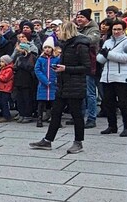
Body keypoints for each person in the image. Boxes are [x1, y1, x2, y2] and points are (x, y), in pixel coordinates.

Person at [30, 22, 91, 154]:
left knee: (76, 115)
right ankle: (47, 140)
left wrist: (66, 68)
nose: (56, 33)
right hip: (62, 84)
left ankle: (78, 142)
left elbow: (86, 67)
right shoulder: (65, 45)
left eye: (58, 31)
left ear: (66, 31)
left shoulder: (80, 46)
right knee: (56, 112)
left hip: (75, 86)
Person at [97, 19, 127, 137]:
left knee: (124, 104)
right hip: (107, 76)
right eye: (114, 29)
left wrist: (108, 54)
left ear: (124, 30)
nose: (116, 31)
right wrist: (104, 55)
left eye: (119, 29)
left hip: (122, 77)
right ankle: (112, 125)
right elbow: (99, 59)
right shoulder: (107, 42)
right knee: (109, 103)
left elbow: (126, 58)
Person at [75, 8, 100, 129]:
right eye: (78, 17)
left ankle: (91, 118)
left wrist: (74, 35)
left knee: (90, 93)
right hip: (76, 63)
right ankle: (79, 115)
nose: (79, 19)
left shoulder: (93, 29)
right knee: (79, 92)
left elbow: (91, 40)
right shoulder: (76, 28)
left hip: (89, 63)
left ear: (87, 19)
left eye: (82, 17)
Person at [34, 37, 60, 128]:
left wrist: (56, 80)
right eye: (45, 48)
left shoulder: (56, 59)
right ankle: (39, 119)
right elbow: (37, 70)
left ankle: (55, 120)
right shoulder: (40, 59)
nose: (47, 49)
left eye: (49, 47)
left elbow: (59, 69)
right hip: (43, 84)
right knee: (41, 103)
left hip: (53, 84)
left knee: (54, 104)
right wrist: (45, 81)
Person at [13, 33, 37, 123]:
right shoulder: (19, 57)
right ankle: (22, 113)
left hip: (27, 81)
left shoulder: (31, 57)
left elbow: (29, 67)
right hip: (19, 80)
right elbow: (15, 66)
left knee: (27, 98)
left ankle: (28, 114)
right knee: (20, 99)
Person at [0, 55, 15, 122]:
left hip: (6, 88)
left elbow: (5, 78)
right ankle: (4, 113)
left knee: (4, 102)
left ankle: (7, 116)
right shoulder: (3, 68)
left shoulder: (9, 69)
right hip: (2, 87)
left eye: (2, 62)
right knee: (1, 101)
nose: (1, 63)